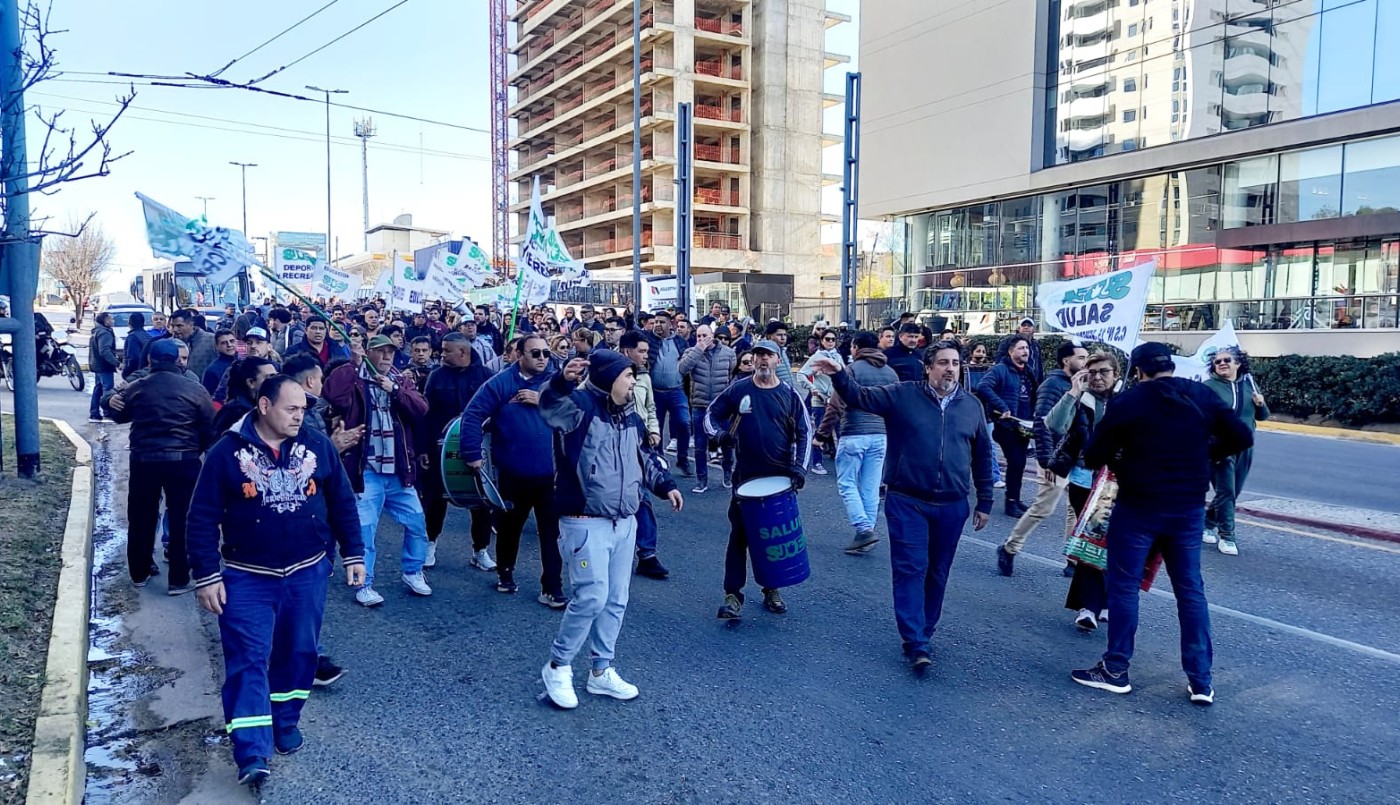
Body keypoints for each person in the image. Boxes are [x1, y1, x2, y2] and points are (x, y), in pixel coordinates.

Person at [186, 374, 365, 787]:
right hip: (246, 578)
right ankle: (252, 750)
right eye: (291, 409)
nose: (299, 417)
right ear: (264, 407)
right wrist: (207, 575)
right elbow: (201, 517)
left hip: (307, 573)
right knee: (247, 660)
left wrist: (354, 554)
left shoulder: (317, 446)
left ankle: (285, 720)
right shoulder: (226, 453)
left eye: (303, 409)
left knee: (299, 653)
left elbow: (341, 499)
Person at [1071, 342, 1253, 704]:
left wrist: (1125, 455)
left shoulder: (1131, 401)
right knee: (1190, 591)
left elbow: (1093, 455)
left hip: (1139, 506)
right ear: (1170, 366)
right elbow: (1241, 436)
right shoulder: (1200, 394)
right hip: (1187, 508)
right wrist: (1203, 453)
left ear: (1138, 371)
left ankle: (1116, 668)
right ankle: (1201, 680)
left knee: (1123, 587)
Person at [811, 341, 993, 670]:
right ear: (928, 367)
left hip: (952, 505)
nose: (950, 368)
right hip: (907, 500)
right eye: (942, 362)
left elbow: (982, 454)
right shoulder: (903, 394)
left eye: (955, 363)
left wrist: (985, 500)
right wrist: (840, 376)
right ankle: (915, 641)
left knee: (938, 572)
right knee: (911, 568)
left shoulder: (971, 406)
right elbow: (859, 397)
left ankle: (926, 629)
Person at [535, 352, 683, 709]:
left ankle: (601, 672)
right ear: (607, 377)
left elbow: (642, 457)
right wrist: (561, 380)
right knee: (591, 597)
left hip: (624, 523)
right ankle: (558, 666)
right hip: (585, 522)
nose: (633, 382)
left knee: (616, 600)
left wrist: (665, 485)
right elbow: (549, 403)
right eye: (627, 375)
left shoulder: (628, 414)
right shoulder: (579, 407)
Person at [702, 340, 811, 620]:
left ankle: (771, 587)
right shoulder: (739, 390)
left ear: (778, 360)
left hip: (780, 481)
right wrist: (719, 436)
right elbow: (710, 415)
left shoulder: (789, 394)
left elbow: (805, 433)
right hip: (745, 479)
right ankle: (732, 595)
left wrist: (799, 468)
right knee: (739, 537)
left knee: (773, 537)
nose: (763, 360)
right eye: (758, 355)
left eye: (769, 356)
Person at [323, 334, 433, 606]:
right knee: (365, 530)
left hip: (398, 470)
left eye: (391, 352)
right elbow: (333, 395)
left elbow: (421, 408)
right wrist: (353, 364)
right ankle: (364, 583)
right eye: (380, 352)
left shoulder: (400, 378)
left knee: (417, 524)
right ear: (369, 352)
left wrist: (395, 390)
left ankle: (413, 571)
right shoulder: (355, 376)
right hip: (366, 470)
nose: (386, 357)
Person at [460, 334, 567, 607]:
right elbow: (472, 415)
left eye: (546, 353)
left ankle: (552, 587)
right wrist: (472, 454)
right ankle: (505, 573)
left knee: (552, 534)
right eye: (535, 353)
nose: (543, 358)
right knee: (509, 530)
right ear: (519, 355)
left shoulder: (555, 382)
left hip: (551, 476)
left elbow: (576, 412)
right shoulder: (500, 383)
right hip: (512, 475)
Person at [104, 339, 216, 592]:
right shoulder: (194, 388)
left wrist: (110, 399)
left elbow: (119, 415)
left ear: (150, 361)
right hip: (184, 461)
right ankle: (178, 579)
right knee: (183, 519)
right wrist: (195, 450)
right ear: (178, 360)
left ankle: (139, 573)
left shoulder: (138, 387)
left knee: (141, 517)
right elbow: (210, 427)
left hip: (144, 460)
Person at [996, 341, 1088, 575]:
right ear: (1067, 360)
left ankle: (1072, 560)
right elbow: (1043, 422)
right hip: (1056, 457)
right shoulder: (1053, 385)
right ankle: (1009, 548)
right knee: (1043, 508)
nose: (1086, 363)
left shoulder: (1080, 386)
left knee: (1075, 510)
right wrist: (1047, 460)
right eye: (1081, 358)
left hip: (1075, 457)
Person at [1045, 352, 1120, 631]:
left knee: (1113, 542)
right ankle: (1089, 606)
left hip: (1116, 480)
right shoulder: (1080, 399)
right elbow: (1053, 424)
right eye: (1092, 372)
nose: (1098, 378)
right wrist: (1074, 392)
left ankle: (1106, 602)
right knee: (1091, 540)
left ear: (1115, 375)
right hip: (1084, 478)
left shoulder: (1124, 402)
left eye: (1104, 372)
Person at [419, 333, 496, 572]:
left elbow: (496, 412)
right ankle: (429, 544)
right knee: (435, 500)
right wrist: (423, 448)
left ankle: (480, 550)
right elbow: (425, 414)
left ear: (463, 352)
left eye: (446, 350)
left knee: (481, 500)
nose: (441, 354)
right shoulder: (436, 376)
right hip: (440, 450)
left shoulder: (485, 377)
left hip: (476, 448)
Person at [816, 331, 898, 554]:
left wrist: (821, 435)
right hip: (881, 436)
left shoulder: (851, 371)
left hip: (854, 432)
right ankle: (866, 533)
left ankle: (863, 530)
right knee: (871, 488)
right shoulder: (891, 373)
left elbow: (835, 406)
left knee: (847, 483)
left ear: (855, 347)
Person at [1202, 347, 1269, 556]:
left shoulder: (1249, 385)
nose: (1221, 363)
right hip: (1220, 448)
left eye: (1226, 360)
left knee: (1233, 491)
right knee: (1227, 491)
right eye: (1217, 361)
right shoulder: (1209, 387)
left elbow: (1262, 416)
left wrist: (1261, 404)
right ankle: (1227, 536)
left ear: (1238, 363)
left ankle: (1207, 522)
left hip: (1245, 447)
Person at [976, 334, 1036, 517]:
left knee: (1020, 463)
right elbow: (983, 386)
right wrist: (1002, 407)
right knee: (1016, 462)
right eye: (1021, 348)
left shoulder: (1028, 370)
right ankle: (1010, 503)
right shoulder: (1000, 370)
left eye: (1026, 348)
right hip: (1007, 425)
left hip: (1024, 425)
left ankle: (1015, 499)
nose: (1025, 351)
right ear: (1011, 352)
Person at [677, 324, 737, 493]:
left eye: (705, 335)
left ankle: (727, 472)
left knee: (726, 443)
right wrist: (698, 349)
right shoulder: (691, 353)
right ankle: (701, 480)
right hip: (700, 405)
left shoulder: (728, 353)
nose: (702, 339)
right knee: (699, 446)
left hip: (722, 407)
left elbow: (731, 372)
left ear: (713, 335)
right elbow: (682, 369)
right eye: (698, 336)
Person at [642, 311, 694, 477]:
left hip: (676, 390)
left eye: (662, 322)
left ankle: (683, 459)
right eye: (656, 322)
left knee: (684, 423)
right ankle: (659, 461)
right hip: (654, 392)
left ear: (670, 324)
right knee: (655, 429)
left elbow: (687, 362)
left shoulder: (679, 341)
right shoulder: (647, 339)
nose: (658, 325)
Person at [794, 329, 842, 477]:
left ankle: (843, 462)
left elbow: (845, 375)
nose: (830, 342)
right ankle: (816, 462)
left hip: (835, 400)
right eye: (827, 339)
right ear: (821, 341)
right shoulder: (817, 357)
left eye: (833, 339)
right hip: (819, 400)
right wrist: (812, 387)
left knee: (841, 432)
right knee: (821, 431)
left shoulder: (837, 356)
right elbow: (801, 374)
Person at [214, 357, 279, 433]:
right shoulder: (236, 414)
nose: (276, 381)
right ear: (251, 382)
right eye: (270, 377)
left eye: (277, 376)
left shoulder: (261, 407)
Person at [283, 316, 350, 369]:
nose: (318, 332)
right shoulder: (294, 351)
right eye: (314, 328)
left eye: (321, 328)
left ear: (325, 331)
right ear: (306, 330)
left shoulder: (336, 349)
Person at [89, 311, 120, 423]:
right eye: (110, 319)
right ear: (105, 321)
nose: (112, 321)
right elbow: (104, 351)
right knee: (107, 389)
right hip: (104, 366)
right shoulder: (104, 333)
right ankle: (107, 413)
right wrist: (117, 363)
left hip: (98, 365)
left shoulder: (98, 331)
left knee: (98, 389)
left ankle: (94, 414)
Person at [172, 309, 217, 382]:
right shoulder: (170, 343)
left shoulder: (211, 340)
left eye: (179, 326)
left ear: (191, 325)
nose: (175, 329)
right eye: (173, 326)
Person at [202, 330, 239, 397]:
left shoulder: (243, 362)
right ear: (216, 346)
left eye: (232, 341)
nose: (229, 345)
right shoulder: (212, 370)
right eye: (224, 343)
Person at [121, 311, 155, 380]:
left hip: (136, 373)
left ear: (129, 323)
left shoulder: (132, 337)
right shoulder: (148, 336)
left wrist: (126, 372)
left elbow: (133, 358)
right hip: (148, 371)